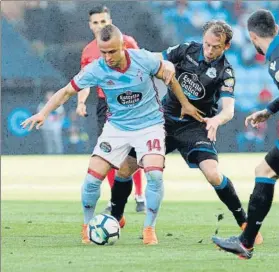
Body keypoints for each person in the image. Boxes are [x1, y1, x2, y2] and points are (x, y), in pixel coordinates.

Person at [21, 25, 203, 245]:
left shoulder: (142, 59)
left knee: (154, 175)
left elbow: (169, 74)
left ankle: (149, 228)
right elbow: (67, 91)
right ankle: (87, 226)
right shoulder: (96, 69)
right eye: (103, 51)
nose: (107, 57)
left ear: (123, 46)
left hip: (149, 125)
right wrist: (43, 113)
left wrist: (185, 104)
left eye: (112, 52)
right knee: (91, 180)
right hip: (116, 128)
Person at [108, 19, 263, 246]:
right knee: (125, 167)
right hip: (162, 120)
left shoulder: (226, 72)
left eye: (216, 47)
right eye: (207, 44)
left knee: (213, 174)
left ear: (226, 46)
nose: (209, 50)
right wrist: (130, 55)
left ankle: (244, 222)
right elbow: (156, 58)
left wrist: (216, 120)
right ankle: (116, 216)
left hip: (195, 126)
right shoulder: (187, 50)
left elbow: (228, 110)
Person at [212, 9, 279, 259]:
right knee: (265, 170)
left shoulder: (275, 56)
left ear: (252, 36)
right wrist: (270, 110)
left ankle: (246, 242)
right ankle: (246, 241)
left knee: (265, 171)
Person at [75, 5, 145, 213]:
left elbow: (143, 67)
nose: (99, 26)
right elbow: (83, 80)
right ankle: (116, 198)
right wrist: (80, 102)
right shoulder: (88, 51)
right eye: (95, 22)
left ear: (110, 21)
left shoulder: (128, 42)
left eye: (103, 21)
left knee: (132, 152)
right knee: (107, 154)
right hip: (105, 105)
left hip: (130, 102)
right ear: (90, 25)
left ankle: (140, 195)